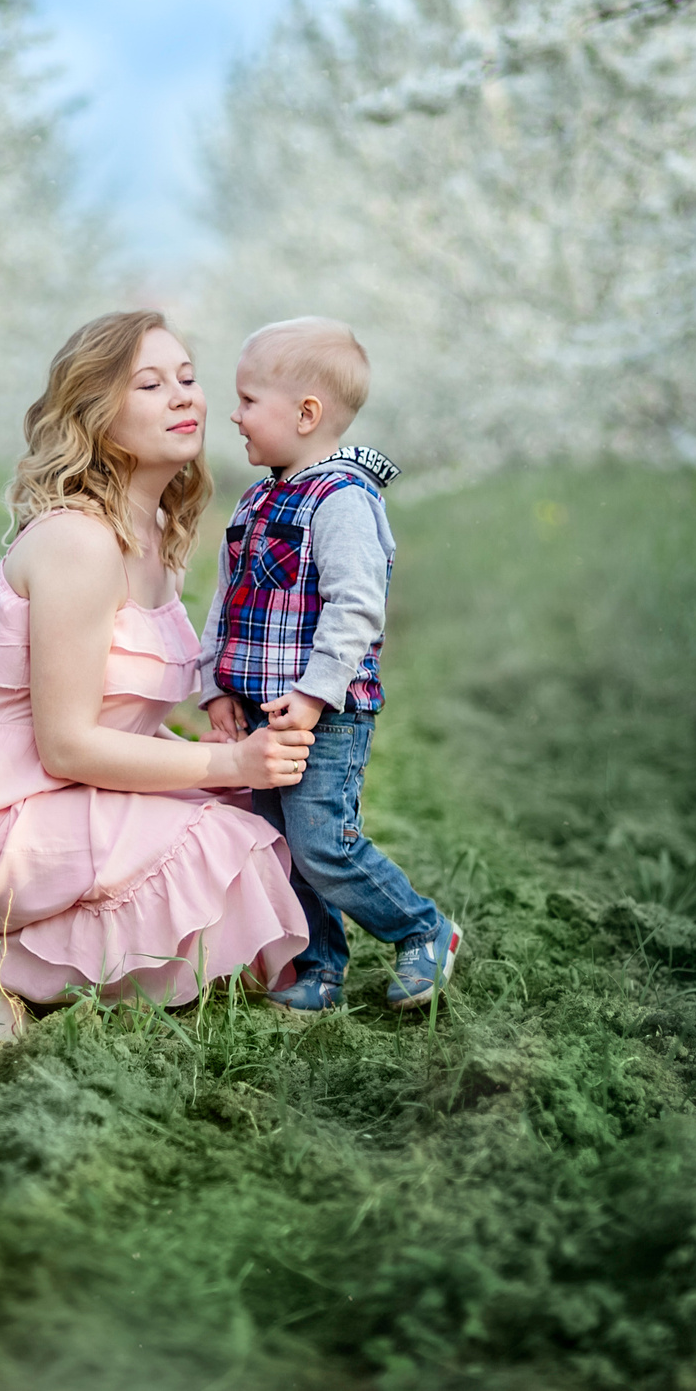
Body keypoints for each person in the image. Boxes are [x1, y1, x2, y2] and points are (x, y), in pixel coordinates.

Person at [0, 311, 315, 1042]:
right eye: (150, 384)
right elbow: (69, 745)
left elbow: (113, 712)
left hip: (52, 798)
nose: (184, 397)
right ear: (98, 418)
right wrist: (223, 761)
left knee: (256, 816)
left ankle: (50, 954)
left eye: (187, 377)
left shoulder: (155, 534)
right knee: (223, 845)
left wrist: (220, 761)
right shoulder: (79, 542)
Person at [200, 317, 463, 1013]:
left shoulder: (343, 499)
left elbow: (356, 608)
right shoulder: (256, 498)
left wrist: (316, 695)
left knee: (323, 842)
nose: (235, 414)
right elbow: (226, 601)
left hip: (324, 713)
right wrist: (215, 684)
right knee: (281, 846)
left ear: (307, 413)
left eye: (250, 400)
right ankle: (320, 965)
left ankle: (422, 927)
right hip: (261, 709)